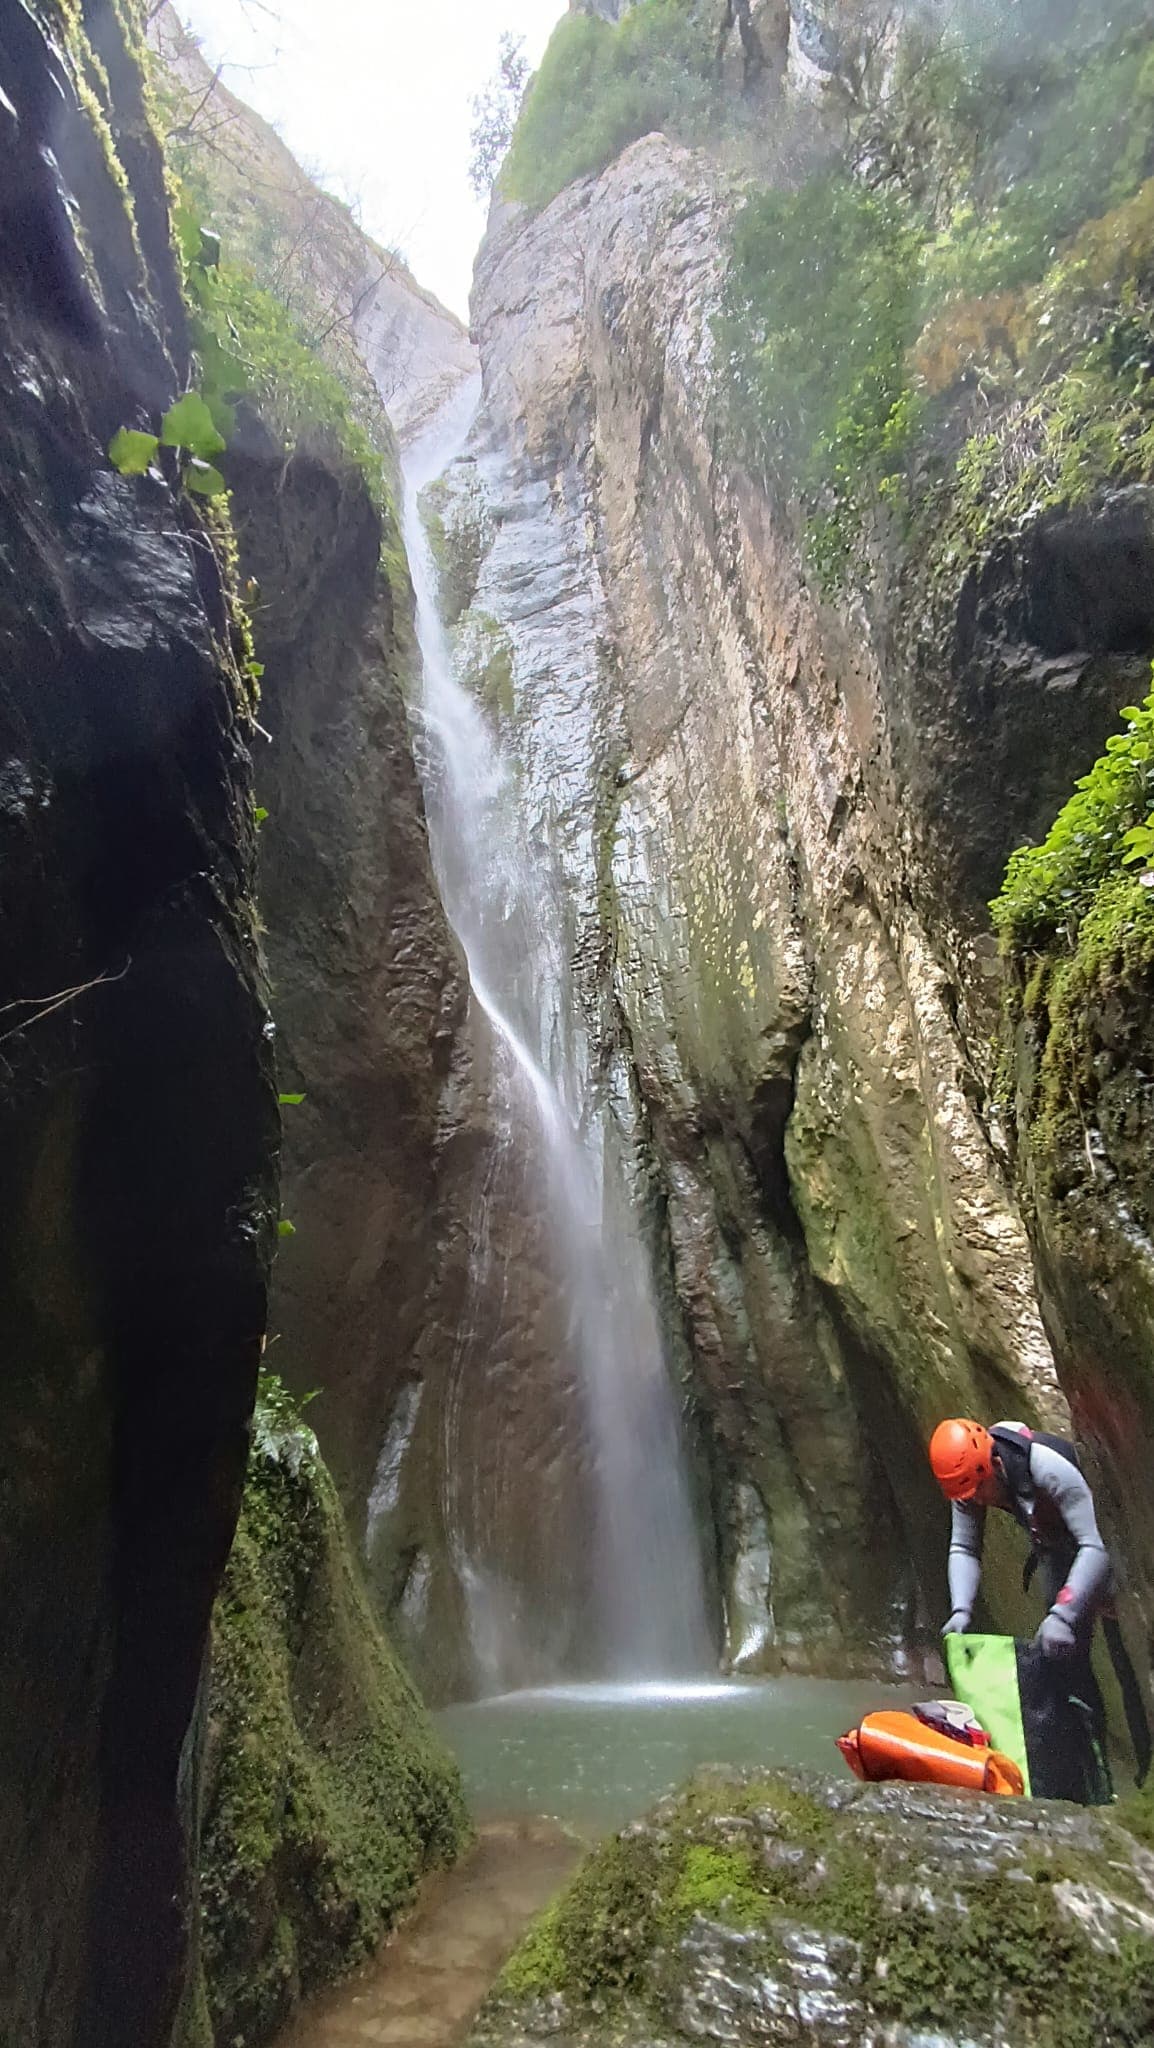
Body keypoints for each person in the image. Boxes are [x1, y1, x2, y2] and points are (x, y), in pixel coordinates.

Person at [928, 1417, 1112, 1659]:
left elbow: (1096, 1542)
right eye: (967, 1496)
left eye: (979, 1490)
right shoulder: (968, 1485)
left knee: (1120, 1643)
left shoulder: (1047, 1468)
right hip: (1055, 1546)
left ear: (994, 1464)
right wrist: (961, 1610)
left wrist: (1063, 1615)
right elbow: (964, 1546)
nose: (977, 1501)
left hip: (1104, 1542)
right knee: (1059, 1656)